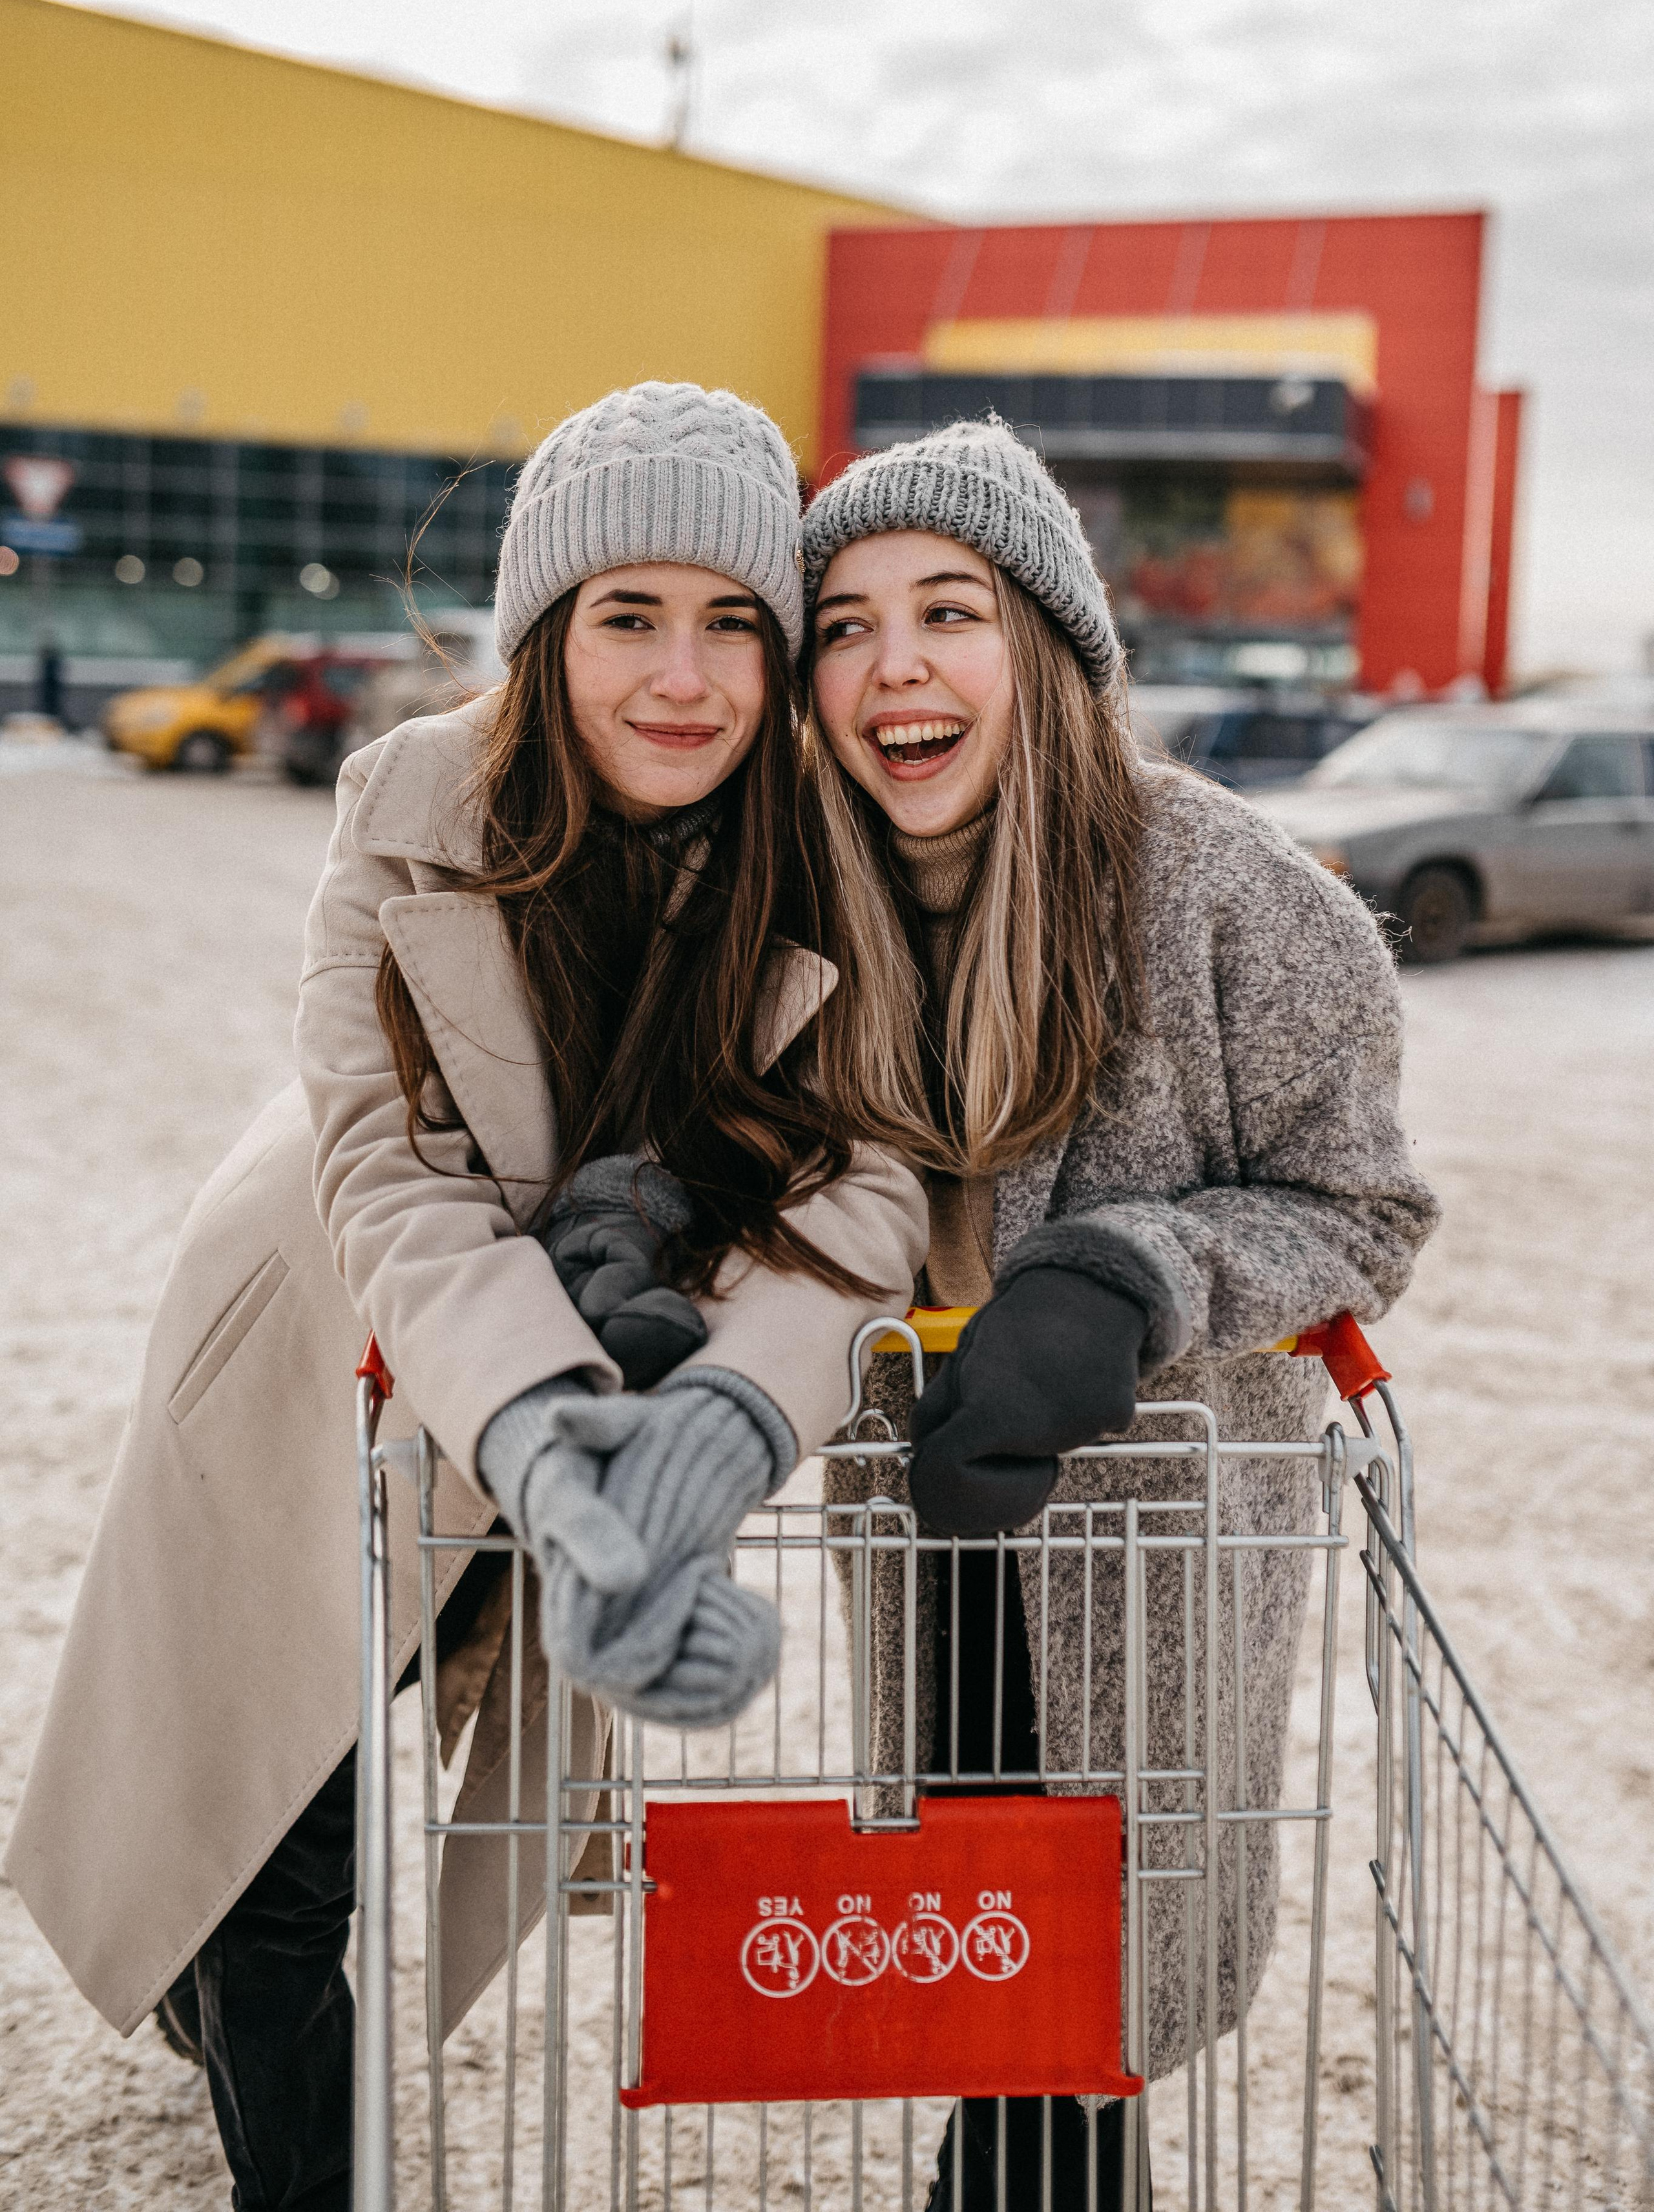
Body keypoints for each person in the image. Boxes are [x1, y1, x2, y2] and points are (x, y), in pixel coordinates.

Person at [9, 384, 926, 2212]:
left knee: (350, 1763)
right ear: (542, 632)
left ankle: (240, 2003)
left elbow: (869, 1179)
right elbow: (391, 1169)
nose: (685, 677)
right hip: (325, 1347)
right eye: (627, 617)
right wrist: (541, 1423)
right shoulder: (414, 808)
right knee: (277, 1829)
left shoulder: (824, 857)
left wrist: (713, 1427)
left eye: (733, 620)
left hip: (582, 1365)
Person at [803, 417, 1439, 2211]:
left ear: (1054, 648)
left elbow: (1361, 1208)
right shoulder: (801, 900)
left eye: (949, 610)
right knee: (971, 1937)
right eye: (844, 626)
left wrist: (1131, 1277)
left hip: (1149, 1553)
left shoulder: (1225, 889)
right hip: (916, 1525)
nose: (895, 663)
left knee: (1097, 1964)